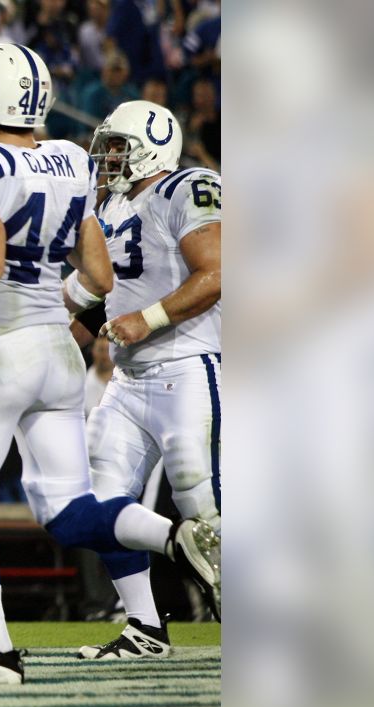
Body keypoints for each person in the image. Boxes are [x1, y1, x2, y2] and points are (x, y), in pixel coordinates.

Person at [0, 44, 219, 685]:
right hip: (58, 355)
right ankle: (179, 541)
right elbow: (96, 276)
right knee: (67, 509)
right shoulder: (68, 158)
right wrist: (48, 314)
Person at [76, 100, 222, 659]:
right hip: (129, 380)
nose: (108, 156)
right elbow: (101, 289)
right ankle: (144, 625)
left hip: (189, 367)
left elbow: (218, 270)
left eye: (116, 145)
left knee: (205, 514)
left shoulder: (189, 186)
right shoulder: (111, 205)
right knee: (97, 503)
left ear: (148, 146)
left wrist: (149, 318)